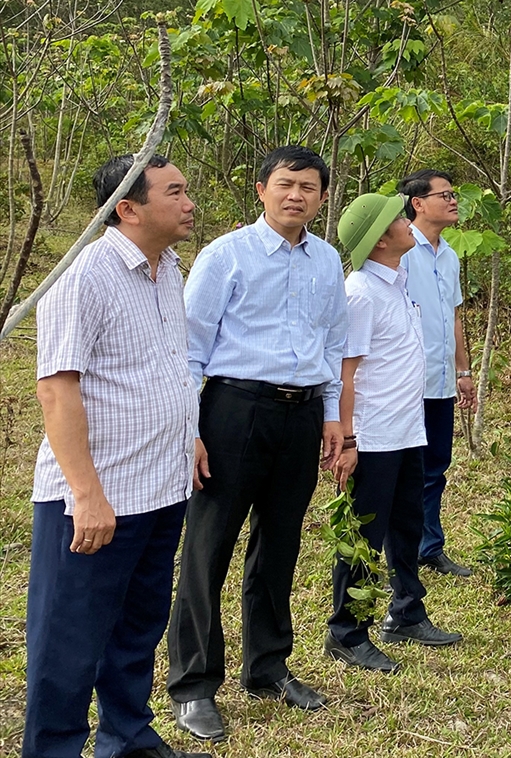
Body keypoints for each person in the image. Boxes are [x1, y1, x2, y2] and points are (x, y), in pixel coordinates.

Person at [24, 155, 206, 758]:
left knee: (137, 627)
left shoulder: (171, 268)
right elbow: (57, 386)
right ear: (127, 209)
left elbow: (167, 367)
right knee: (69, 638)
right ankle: (52, 748)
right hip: (99, 497)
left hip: (162, 485)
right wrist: (87, 494)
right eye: (174, 193)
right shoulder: (83, 274)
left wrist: (191, 432)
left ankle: (127, 735)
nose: (189, 204)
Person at [168, 146, 348, 741]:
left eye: (309, 187)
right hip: (233, 410)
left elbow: (331, 345)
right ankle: (194, 684)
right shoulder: (226, 255)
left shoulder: (326, 261)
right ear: (260, 188)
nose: (297, 195)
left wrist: (330, 416)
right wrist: (191, 429)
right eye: (285, 184)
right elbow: (191, 349)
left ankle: (268, 667)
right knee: (209, 545)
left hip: (299, 418)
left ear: (323, 197)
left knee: (280, 544)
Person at [326, 192, 462, 674]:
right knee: (364, 535)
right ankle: (346, 631)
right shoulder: (360, 292)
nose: (408, 221)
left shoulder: (397, 283)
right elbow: (344, 373)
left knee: (405, 527)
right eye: (399, 218)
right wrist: (347, 439)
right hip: (374, 436)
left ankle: (405, 612)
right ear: (382, 238)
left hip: (407, 430)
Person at [397, 168, 476, 578]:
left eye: (453, 194)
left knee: (435, 467)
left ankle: (429, 546)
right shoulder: (397, 250)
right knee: (403, 471)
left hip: (440, 382)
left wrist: (463, 369)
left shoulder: (450, 256)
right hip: (403, 384)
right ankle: (398, 548)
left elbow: (453, 315)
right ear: (418, 203)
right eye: (444, 194)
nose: (452, 200)